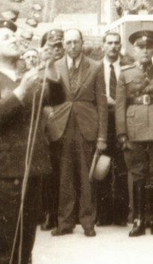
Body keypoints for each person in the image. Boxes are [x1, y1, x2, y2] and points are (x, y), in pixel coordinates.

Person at [0, 18, 51, 264]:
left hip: (32, 169)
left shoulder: (29, 78)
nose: (14, 39)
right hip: (4, 173)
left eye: (14, 35)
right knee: (2, 245)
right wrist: (20, 91)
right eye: (6, 37)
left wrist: (47, 67)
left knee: (25, 244)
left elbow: (54, 97)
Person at [46, 29, 108, 237]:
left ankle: (88, 223)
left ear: (82, 43)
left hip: (86, 126)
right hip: (62, 128)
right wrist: (52, 123)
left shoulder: (96, 66)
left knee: (86, 176)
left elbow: (101, 103)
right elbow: (49, 100)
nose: (72, 46)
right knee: (64, 177)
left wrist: (102, 136)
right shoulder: (54, 66)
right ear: (64, 45)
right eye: (69, 42)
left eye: (76, 42)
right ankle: (65, 223)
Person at [116, 30, 153, 237]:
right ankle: (139, 220)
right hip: (134, 128)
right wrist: (121, 133)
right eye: (140, 47)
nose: (144, 51)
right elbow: (120, 106)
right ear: (134, 50)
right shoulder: (125, 73)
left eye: (148, 47)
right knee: (138, 174)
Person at [97, 32, 130, 227]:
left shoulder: (127, 66)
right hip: (103, 122)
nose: (113, 46)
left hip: (123, 121)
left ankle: (121, 214)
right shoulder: (95, 68)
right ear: (103, 45)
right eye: (109, 43)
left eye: (117, 43)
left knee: (122, 168)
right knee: (102, 166)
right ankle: (103, 214)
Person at [39, 29, 65, 232]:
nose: (57, 49)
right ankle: (49, 213)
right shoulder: (38, 70)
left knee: (62, 172)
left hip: (67, 125)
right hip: (46, 129)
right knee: (47, 173)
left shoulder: (66, 67)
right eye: (51, 46)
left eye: (59, 45)